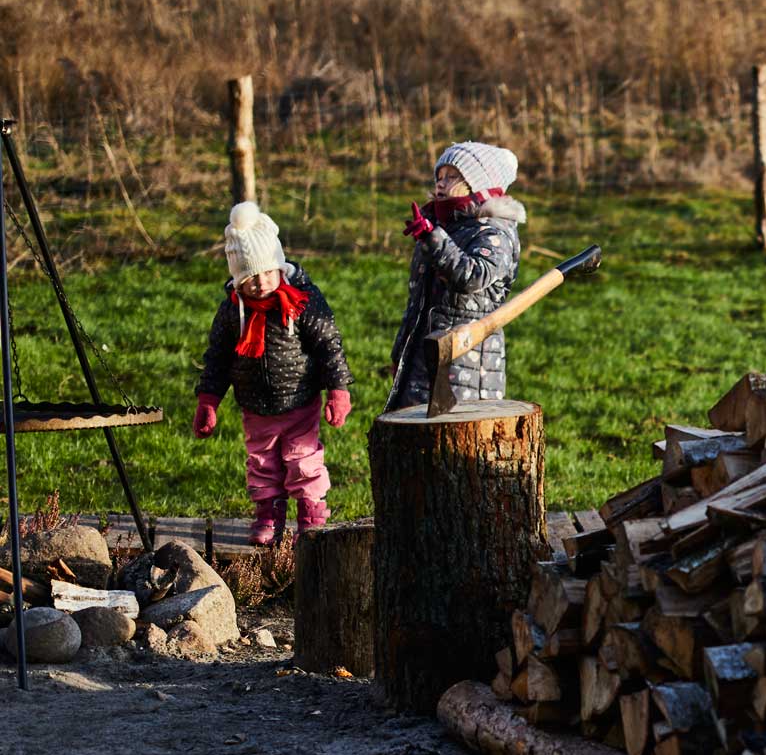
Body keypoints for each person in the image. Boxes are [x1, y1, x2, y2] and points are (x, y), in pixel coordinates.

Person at [193, 201, 354, 546]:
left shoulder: (301, 302)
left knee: (303, 459)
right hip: (255, 405)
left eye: (268, 272)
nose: (262, 283)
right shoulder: (231, 312)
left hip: (300, 400)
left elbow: (329, 344)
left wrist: (338, 390)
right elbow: (217, 359)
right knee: (262, 463)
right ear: (238, 280)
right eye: (251, 277)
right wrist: (209, 402)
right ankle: (268, 514)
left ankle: (310, 514)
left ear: (280, 267)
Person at [386, 142, 526, 411]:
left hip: (467, 366)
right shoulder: (442, 226)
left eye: (452, 177)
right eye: (439, 176)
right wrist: (401, 352)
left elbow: (473, 276)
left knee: (454, 439)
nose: (441, 183)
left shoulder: (493, 231)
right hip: (422, 359)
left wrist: (433, 238)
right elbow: (418, 302)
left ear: (477, 183)